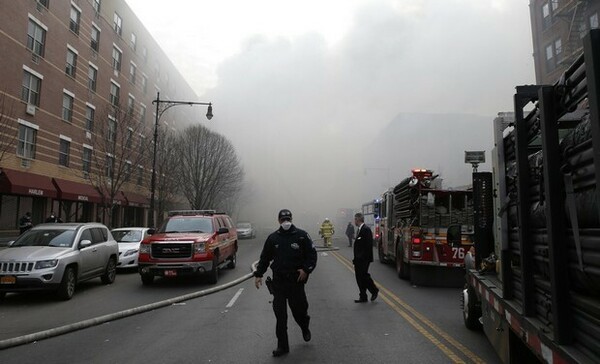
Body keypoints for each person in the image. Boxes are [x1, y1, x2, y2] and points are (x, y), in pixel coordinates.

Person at [254, 209, 318, 357]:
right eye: (283, 220)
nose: (285, 222)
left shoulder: (302, 236)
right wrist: (259, 274)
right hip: (279, 283)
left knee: (299, 312)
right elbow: (265, 258)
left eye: (287, 219)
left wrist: (306, 269)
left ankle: (304, 325)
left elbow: (312, 255)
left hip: (296, 282)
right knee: (280, 316)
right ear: (278, 221)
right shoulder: (273, 238)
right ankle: (282, 346)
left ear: (292, 219)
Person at [352, 212, 379, 303]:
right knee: (359, 277)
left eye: (355, 219)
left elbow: (368, 245)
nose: (354, 221)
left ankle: (374, 290)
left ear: (358, 219)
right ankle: (363, 296)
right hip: (358, 259)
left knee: (364, 276)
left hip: (363, 259)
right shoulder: (359, 230)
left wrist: (361, 257)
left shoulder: (365, 229)